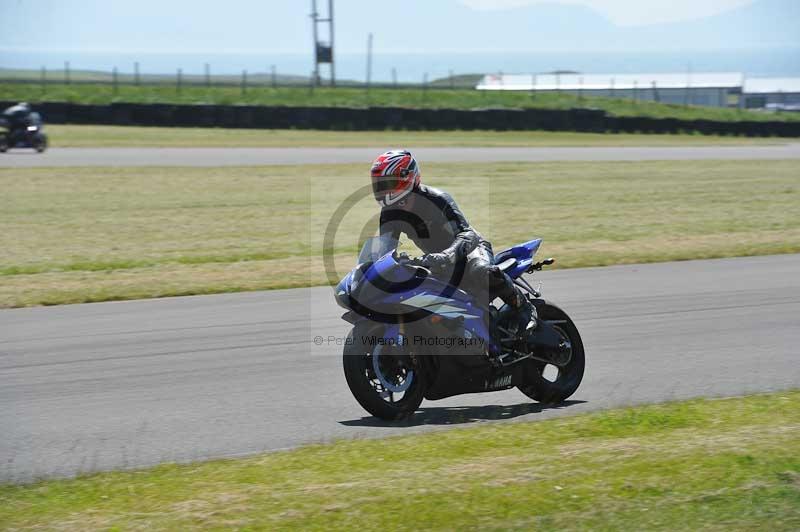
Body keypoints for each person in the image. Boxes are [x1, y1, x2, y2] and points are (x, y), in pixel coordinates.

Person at [371, 149, 535, 338]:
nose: (382, 190)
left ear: (406, 178)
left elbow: (467, 234)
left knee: (482, 270)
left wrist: (447, 255)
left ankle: (525, 308)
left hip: (470, 251)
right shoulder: (390, 213)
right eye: (378, 185)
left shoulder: (437, 199)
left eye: (387, 183)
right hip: (438, 262)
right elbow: (385, 250)